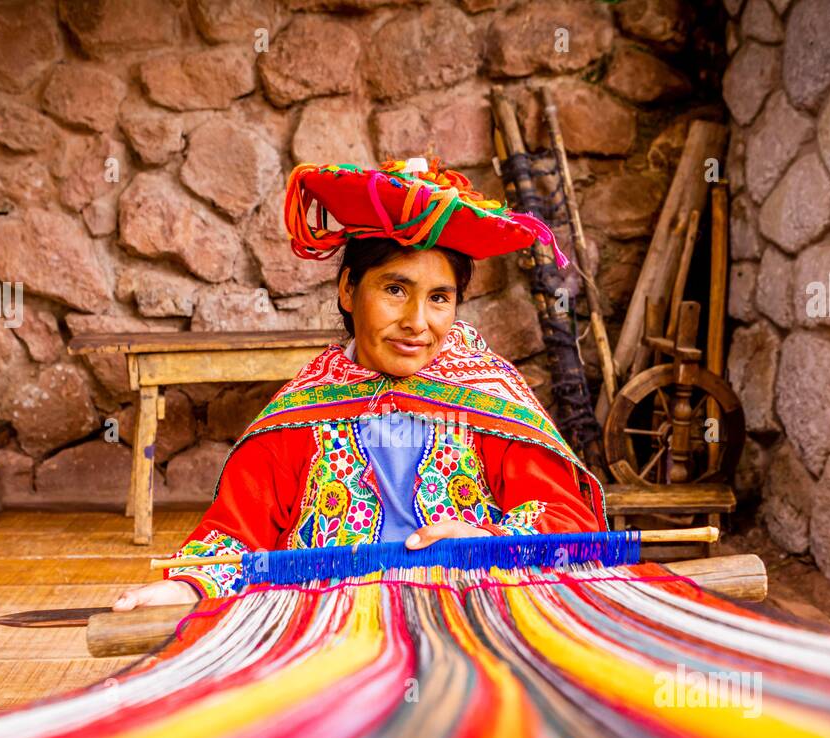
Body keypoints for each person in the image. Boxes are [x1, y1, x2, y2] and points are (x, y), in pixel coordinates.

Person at [114, 156, 606, 610]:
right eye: (395, 290)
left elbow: (565, 520)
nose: (418, 322)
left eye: (439, 298)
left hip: (471, 613)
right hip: (329, 626)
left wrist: (490, 541)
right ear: (348, 289)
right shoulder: (307, 408)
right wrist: (184, 584)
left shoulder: (486, 397)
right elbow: (236, 532)